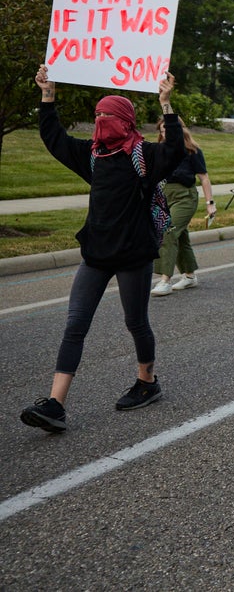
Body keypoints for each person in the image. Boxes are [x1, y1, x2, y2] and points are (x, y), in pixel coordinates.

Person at [21, 66, 184, 433]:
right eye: (97, 115)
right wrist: (48, 95)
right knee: (75, 324)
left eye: (108, 115)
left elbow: (175, 150)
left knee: (135, 322)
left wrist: (166, 104)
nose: (101, 120)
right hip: (94, 256)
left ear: (125, 120)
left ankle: (147, 382)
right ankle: (56, 404)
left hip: (133, 257)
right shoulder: (92, 157)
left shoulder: (145, 156)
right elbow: (53, 138)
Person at [151, 118, 217, 296]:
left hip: (185, 198)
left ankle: (165, 280)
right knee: (180, 237)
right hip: (164, 196)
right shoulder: (159, 150)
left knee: (168, 232)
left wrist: (210, 204)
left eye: (168, 130)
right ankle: (189, 276)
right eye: (162, 130)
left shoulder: (191, 150)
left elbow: (204, 178)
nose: (165, 133)